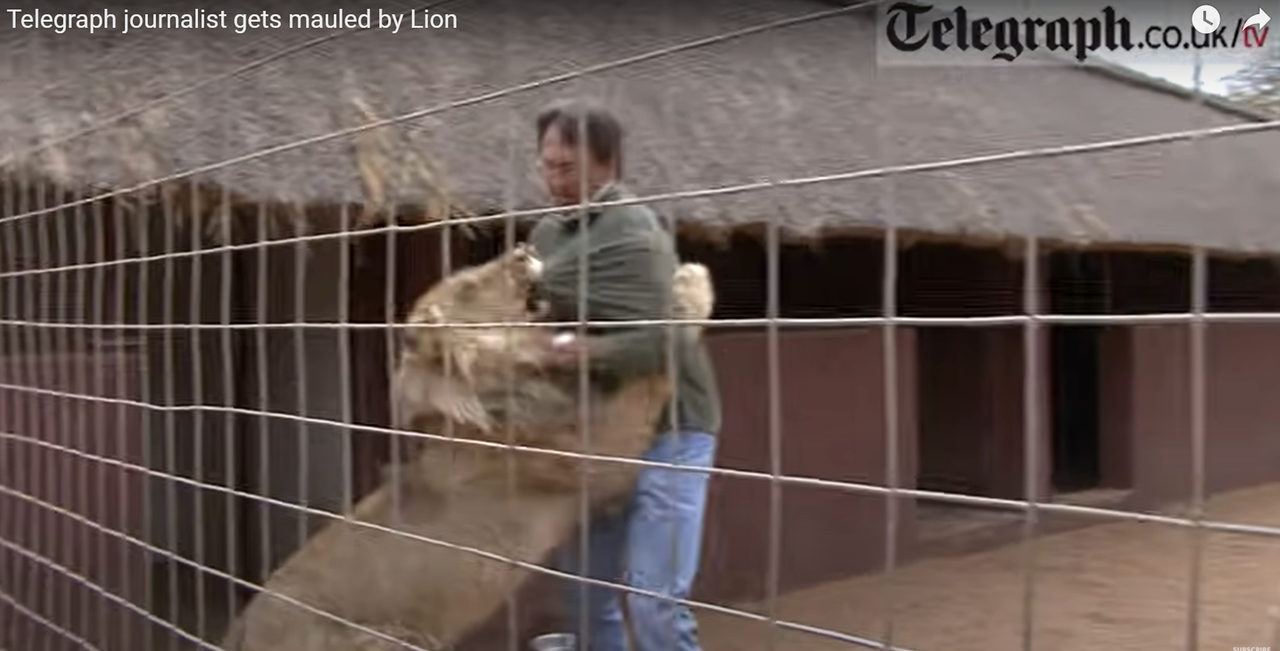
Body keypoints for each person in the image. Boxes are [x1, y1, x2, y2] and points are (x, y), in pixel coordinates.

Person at [525, 99, 722, 651]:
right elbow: (534, 316)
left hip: (670, 428)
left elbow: (666, 341)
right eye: (547, 165)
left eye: (566, 167)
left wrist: (585, 351)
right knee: (586, 599)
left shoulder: (635, 234)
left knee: (655, 604)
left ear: (607, 164)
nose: (553, 179)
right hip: (597, 433)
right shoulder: (546, 239)